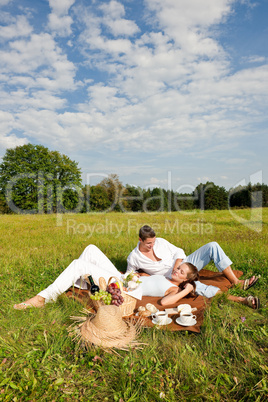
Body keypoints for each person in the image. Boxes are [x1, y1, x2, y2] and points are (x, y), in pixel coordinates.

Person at [14, 244, 259, 310]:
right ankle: (87, 282)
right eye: (179, 267)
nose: (177, 269)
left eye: (181, 271)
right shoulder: (170, 273)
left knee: (79, 263)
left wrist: (243, 300)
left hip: (123, 286)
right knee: (89, 249)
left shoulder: (176, 290)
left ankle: (43, 298)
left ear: (185, 281)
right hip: (124, 277)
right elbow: (175, 264)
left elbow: (165, 304)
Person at [126, 225, 260, 303]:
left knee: (212, 246)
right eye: (149, 243)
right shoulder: (134, 257)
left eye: (153, 242)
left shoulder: (160, 241)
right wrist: (140, 274)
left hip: (182, 265)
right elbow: (129, 275)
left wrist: (177, 267)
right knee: (199, 287)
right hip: (171, 278)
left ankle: (236, 281)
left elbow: (179, 252)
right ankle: (242, 300)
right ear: (140, 240)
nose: (152, 245)